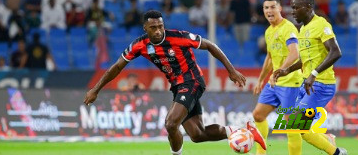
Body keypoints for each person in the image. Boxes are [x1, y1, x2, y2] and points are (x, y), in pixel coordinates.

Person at [84, 10, 266, 155]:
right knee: (197, 134)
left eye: (160, 26)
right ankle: (245, 130)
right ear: (145, 28)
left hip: (192, 81)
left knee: (171, 123)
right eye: (153, 27)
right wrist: (95, 89)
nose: (157, 30)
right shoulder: (139, 45)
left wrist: (231, 70)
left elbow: (210, 45)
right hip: (178, 86)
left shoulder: (178, 37)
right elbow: (116, 67)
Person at [274, 0, 347, 155]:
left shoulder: (321, 24)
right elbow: (306, 60)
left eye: (296, 7)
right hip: (308, 84)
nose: (292, 11)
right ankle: (327, 140)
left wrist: (313, 74)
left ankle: (336, 152)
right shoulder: (303, 29)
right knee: (293, 127)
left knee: (295, 125)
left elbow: (336, 52)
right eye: (291, 7)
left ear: (308, 7)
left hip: (321, 85)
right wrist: (288, 70)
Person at [252, 0, 303, 155]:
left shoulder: (288, 28)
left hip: (291, 83)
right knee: (258, 115)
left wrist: (278, 72)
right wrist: (261, 80)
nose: (269, 11)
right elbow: (269, 58)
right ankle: (261, 153)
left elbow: (294, 54)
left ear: (280, 8)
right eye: (266, 8)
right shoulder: (268, 31)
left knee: (292, 125)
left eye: (273, 7)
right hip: (275, 83)